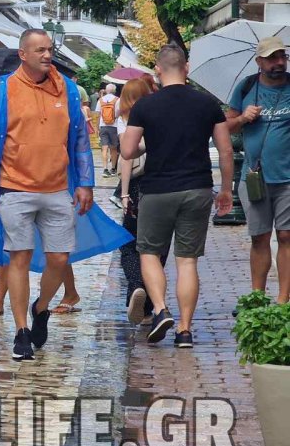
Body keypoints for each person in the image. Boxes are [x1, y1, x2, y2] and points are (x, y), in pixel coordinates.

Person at [0, 29, 95, 361]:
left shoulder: (68, 90)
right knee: (19, 258)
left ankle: (40, 307)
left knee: (59, 258)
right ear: (23, 54)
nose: (47, 55)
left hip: (58, 188)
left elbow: (81, 141)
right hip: (15, 188)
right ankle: (21, 331)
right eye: (40, 50)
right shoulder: (5, 92)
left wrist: (85, 182)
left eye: (50, 49)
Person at [121, 44, 234, 348]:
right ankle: (185, 330)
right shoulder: (207, 103)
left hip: (157, 189)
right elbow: (225, 150)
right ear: (187, 67)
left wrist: (148, 142)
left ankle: (160, 310)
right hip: (197, 188)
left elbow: (128, 152)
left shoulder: (146, 106)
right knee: (187, 262)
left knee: (148, 253)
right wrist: (225, 189)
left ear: (158, 69)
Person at [226, 36, 290, 304]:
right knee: (260, 237)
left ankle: (284, 299)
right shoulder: (246, 87)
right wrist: (243, 118)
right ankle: (257, 297)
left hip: (287, 177)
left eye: (282, 56)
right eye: (272, 58)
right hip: (254, 176)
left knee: (286, 235)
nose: (279, 62)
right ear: (259, 61)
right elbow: (226, 127)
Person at [118, 78, 168, 325]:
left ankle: (136, 287)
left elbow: (126, 160)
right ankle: (147, 305)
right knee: (156, 247)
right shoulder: (159, 116)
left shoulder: (125, 121)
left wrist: (125, 193)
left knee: (130, 244)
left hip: (137, 188)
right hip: (160, 184)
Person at [97, 83, 120, 177]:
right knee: (113, 148)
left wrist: (97, 127)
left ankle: (105, 169)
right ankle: (113, 169)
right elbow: (118, 114)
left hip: (103, 126)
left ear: (106, 90)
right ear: (114, 90)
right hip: (114, 126)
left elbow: (98, 114)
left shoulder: (101, 100)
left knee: (104, 148)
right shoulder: (117, 100)